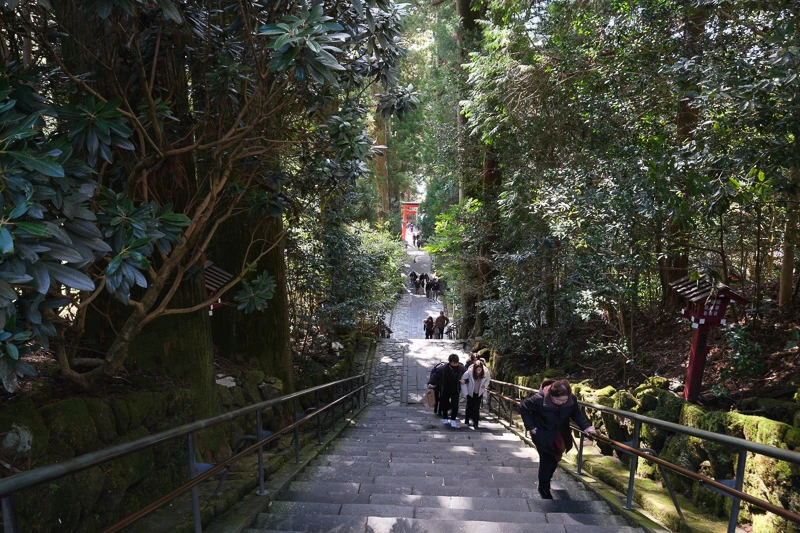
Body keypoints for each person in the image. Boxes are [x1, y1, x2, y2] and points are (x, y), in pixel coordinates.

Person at [519, 379, 596, 499]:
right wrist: (531, 427)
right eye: (558, 400)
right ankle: (544, 488)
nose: (561, 403)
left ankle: (546, 481)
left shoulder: (571, 400)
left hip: (560, 433)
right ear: (551, 395)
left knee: (555, 459)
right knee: (546, 460)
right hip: (542, 432)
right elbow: (523, 407)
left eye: (564, 400)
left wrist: (586, 427)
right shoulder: (539, 399)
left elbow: (576, 414)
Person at [438, 353, 466, 428]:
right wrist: (431, 383)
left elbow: (468, 377)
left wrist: (465, 381)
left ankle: (453, 419)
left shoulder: (461, 368)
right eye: (454, 363)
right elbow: (435, 376)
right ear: (450, 362)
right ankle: (445, 417)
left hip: (455, 389)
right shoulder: (443, 368)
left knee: (455, 405)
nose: (455, 364)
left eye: (457, 362)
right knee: (445, 404)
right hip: (445, 389)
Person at [460, 361, 490, 429]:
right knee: (469, 406)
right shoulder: (470, 372)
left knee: (476, 407)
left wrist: (484, 385)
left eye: (480, 368)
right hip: (470, 392)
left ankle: (475, 422)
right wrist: (465, 393)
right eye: (477, 368)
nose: (478, 370)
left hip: (479, 392)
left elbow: (488, 380)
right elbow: (463, 380)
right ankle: (467, 421)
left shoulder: (486, 372)